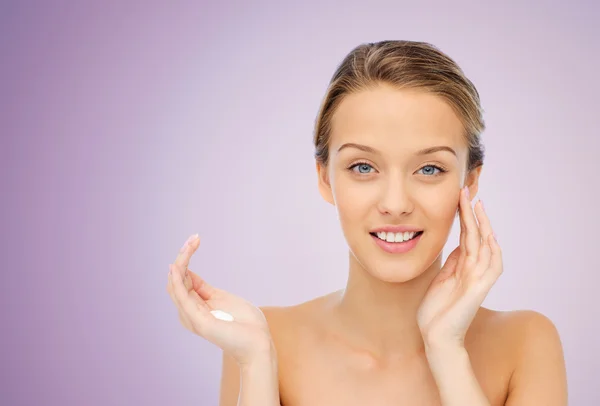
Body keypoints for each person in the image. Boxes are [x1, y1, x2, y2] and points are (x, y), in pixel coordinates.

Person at [166, 40, 568, 406]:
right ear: (325, 178)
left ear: (470, 180)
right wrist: (255, 363)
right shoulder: (261, 340)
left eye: (429, 168)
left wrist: (446, 350)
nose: (395, 204)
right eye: (363, 167)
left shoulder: (525, 344)